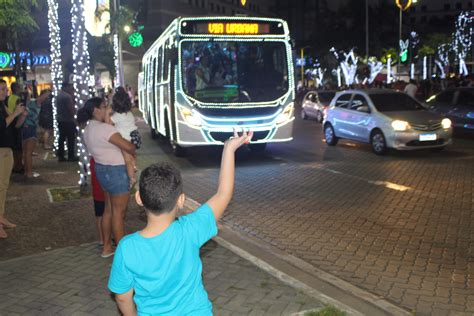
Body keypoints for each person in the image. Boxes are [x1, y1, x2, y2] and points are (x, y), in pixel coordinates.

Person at [108, 129, 252, 315]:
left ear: (139, 198)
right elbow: (223, 193)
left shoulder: (127, 248)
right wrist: (229, 149)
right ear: (181, 200)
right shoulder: (190, 230)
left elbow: (122, 296)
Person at [77, 97, 136, 258]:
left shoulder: (89, 129)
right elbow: (129, 147)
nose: (107, 110)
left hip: (101, 170)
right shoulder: (105, 129)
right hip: (116, 171)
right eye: (104, 107)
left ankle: (107, 247)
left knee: (108, 210)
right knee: (119, 212)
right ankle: (123, 253)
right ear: (96, 110)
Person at [0, 79, 27, 238]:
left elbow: (14, 125)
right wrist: (16, 113)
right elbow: (2, 126)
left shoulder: (2, 106)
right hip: (1, 149)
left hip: (7, 148)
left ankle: (1, 216)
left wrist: (21, 115)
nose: (5, 92)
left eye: (5, 89)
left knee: (3, 185)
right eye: (2, 89)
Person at [110, 87, 141, 188]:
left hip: (125, 140)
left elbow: (108, 123)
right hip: (134, 138)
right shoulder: (130, 114)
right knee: (131, 157)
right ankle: (134, 166)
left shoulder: (117, 116)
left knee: (127, 160)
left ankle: (132, 179)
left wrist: (107, 112)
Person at [21, 88, 51, 179]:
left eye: (48, 96)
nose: (47, 97)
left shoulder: (41, 105)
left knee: (27, 152)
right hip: (28, 128)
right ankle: (29, 172)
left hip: (30, 127)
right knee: (28, 152)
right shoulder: (32, 103)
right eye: (46, 95)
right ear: (41, 94)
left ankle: (27, 171)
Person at [57, 82, 77, 162]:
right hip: (68, 120)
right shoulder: (67, 97)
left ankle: (61, 155)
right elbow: (70, 109)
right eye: (70, 87)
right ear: (66, 87)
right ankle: (71, 155)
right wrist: (74, 118)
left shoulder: (59, 95)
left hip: (61, 120)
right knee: (70, 138)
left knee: (62, 138)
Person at [8, 82, 24, 173]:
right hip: (16, 121)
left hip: (11, 121)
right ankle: (18, 165)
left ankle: (16, 165)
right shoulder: (18, 99)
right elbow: (20, 111)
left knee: (15, 146)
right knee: (18, 147)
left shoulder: (9, 97)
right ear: (17, 88)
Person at [90, 157, 105, 246]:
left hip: (98, 191)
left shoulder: (93, 158)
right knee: (105, 214)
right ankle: (104, 238)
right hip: (104, 191)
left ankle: (102, 239)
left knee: (100, 215)